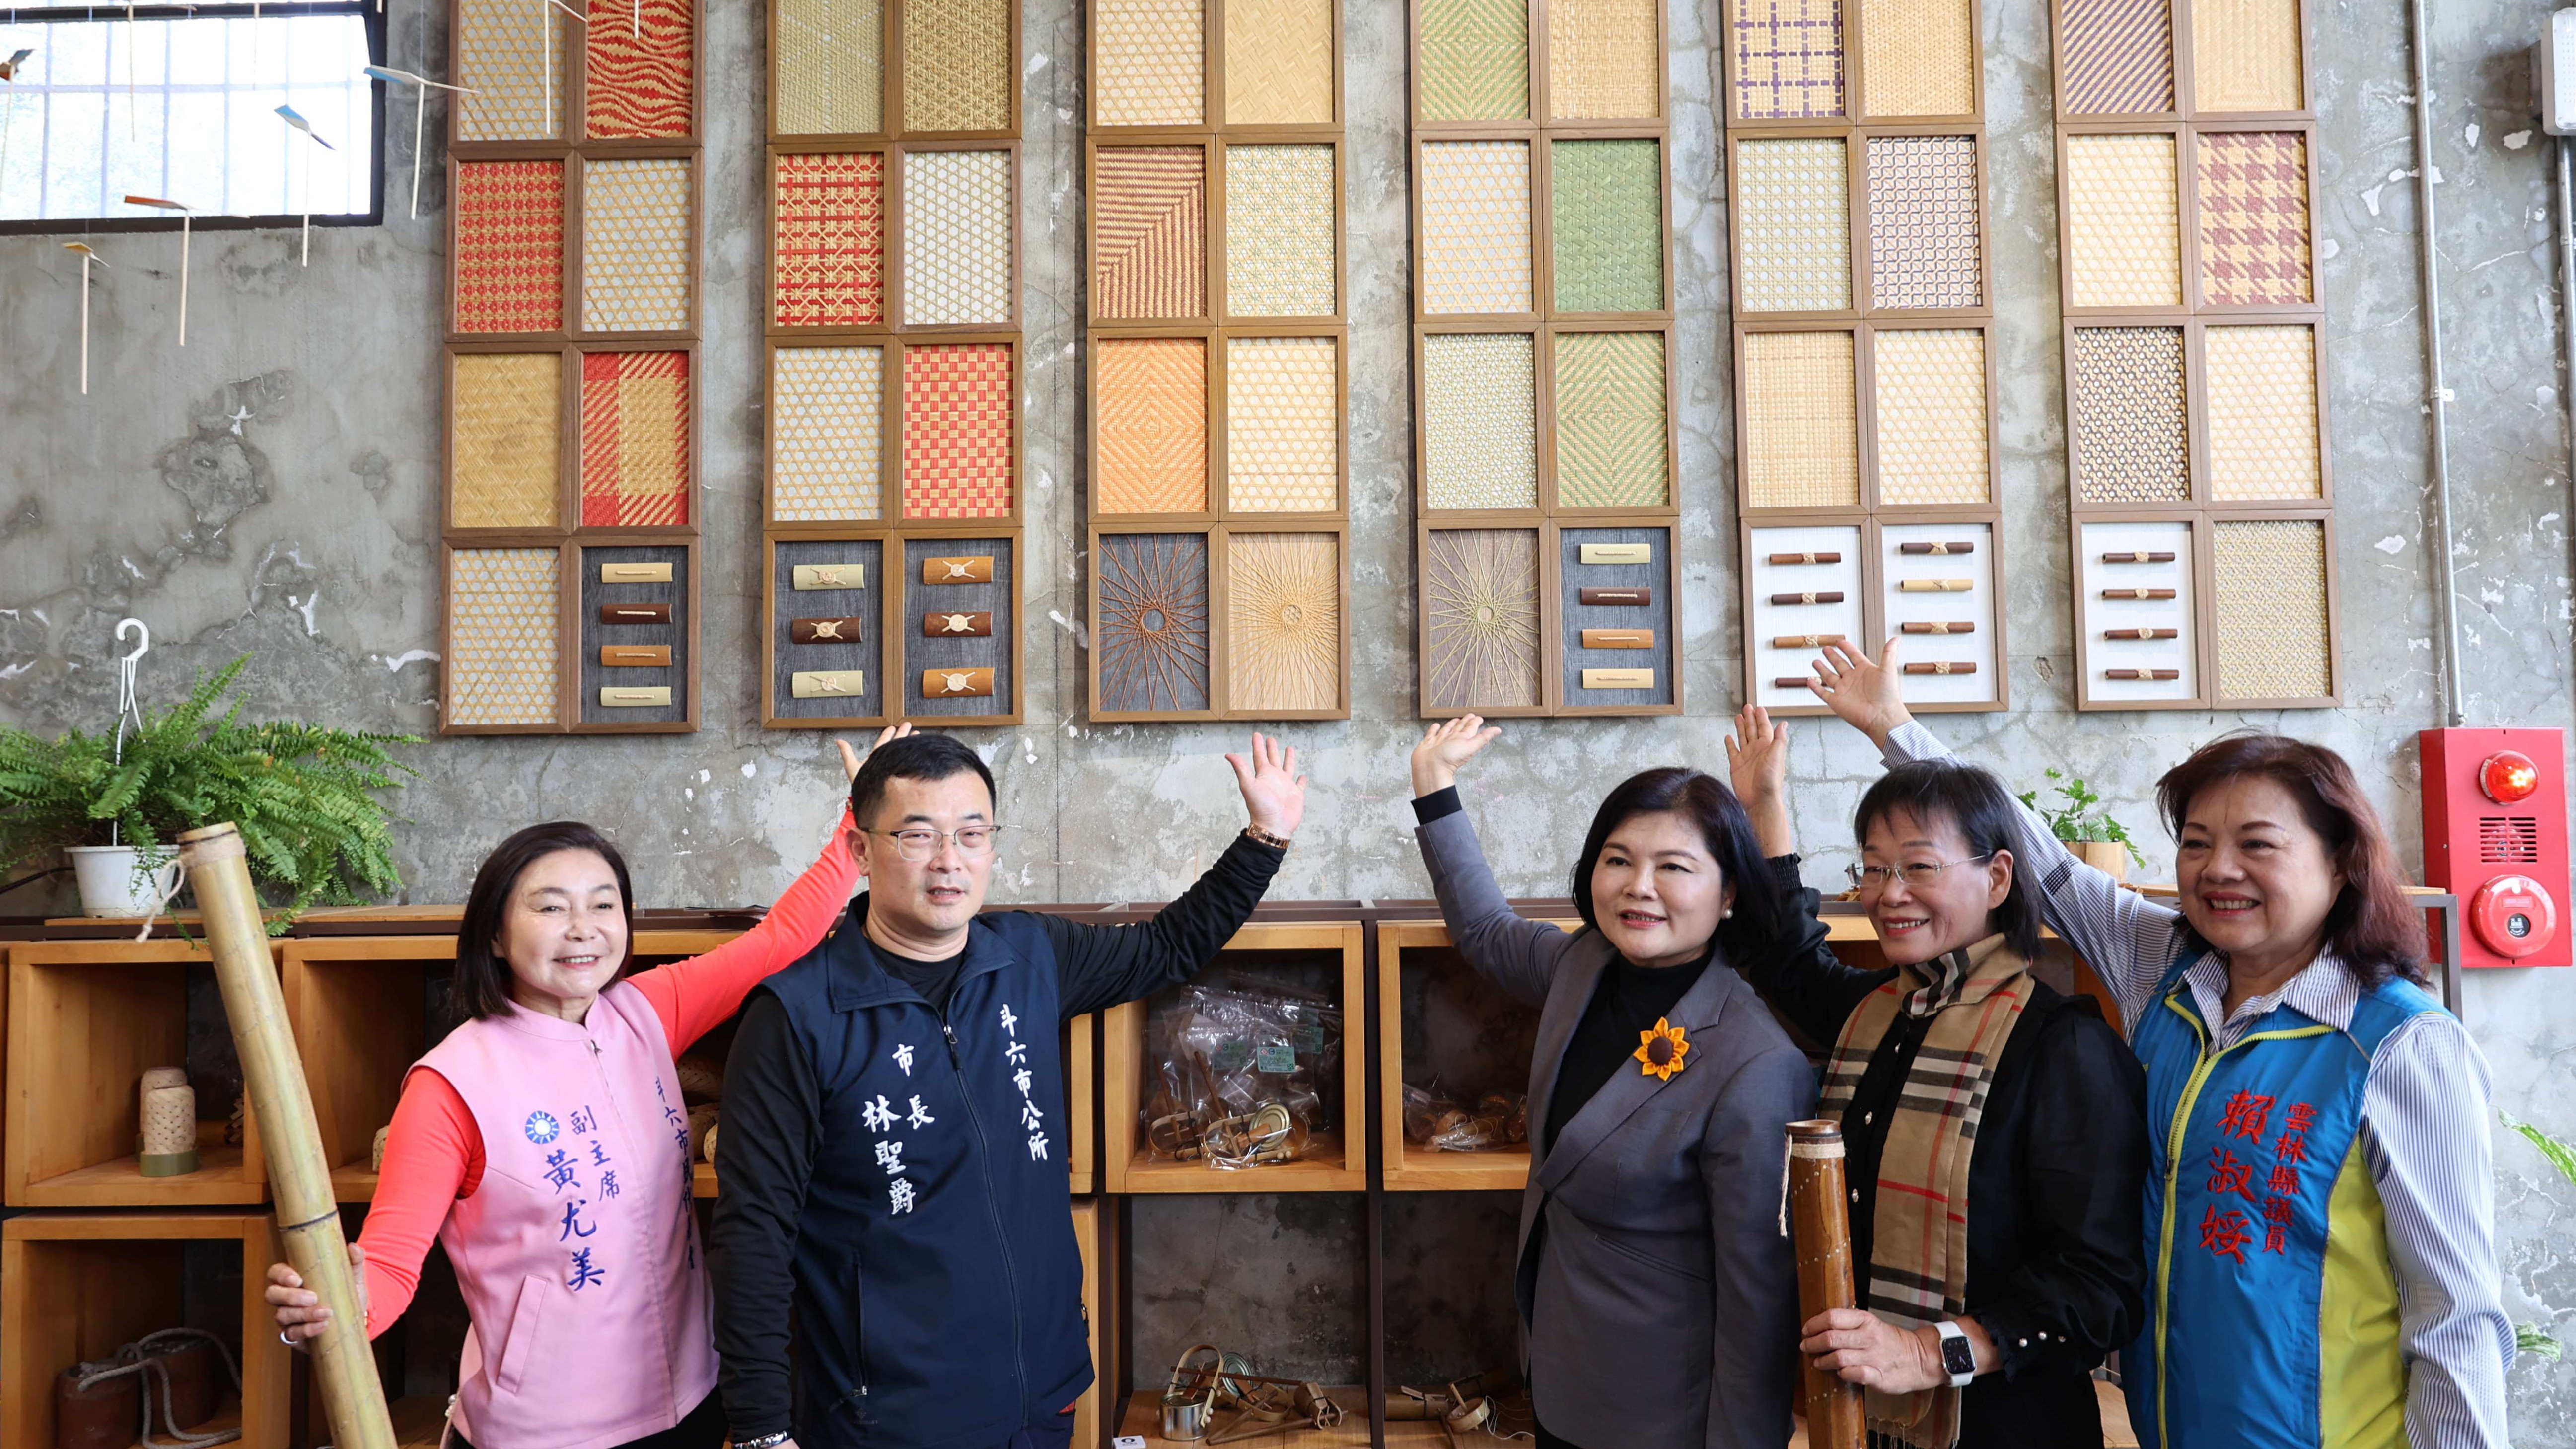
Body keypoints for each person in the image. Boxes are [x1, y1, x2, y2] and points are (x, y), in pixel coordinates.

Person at [1805, 639, 2514, 1449]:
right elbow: (2048, 866)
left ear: (2342, 863)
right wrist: (1895, 728)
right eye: (2196, 842)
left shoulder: (2403, 1045)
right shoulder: (2169, 975)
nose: (2218, 870)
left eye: (2257, 844)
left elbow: (2456, 1315)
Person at [263, 732, 891, 1449]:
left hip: (693, 1400)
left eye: (603, 905)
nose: (583, 930)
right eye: (551, 908)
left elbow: (780, 941)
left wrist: (861, 820)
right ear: (495, 934)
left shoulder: (646, 1013)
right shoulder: (449, 1085)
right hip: (546, 1430)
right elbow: (386, 1266)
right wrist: (337, 1306)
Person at [708, 730, 1306, 1449]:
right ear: (861, 850)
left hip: (1041, 1397)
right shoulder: (797, 1016)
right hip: (889, 1420)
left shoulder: (1028, 955)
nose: (949, 859)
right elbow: (753, 1234)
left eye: (972, 833)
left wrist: (1266, 836)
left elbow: (1168, 946)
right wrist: (761, 1430)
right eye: (917, 835)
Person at [1722, 704, 2148, 1448]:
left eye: (1919, 866)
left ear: (1998, 877)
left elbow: (2100, 1287)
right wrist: (1765, 807)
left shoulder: (2064, 1048)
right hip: (1864, 1422)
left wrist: (1925, 1353)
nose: (1889, 893)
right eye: (1874, 867)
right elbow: (1788, 959)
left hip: (2008, 1429)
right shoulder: (1878, 1012)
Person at [1405, 715, 1814, 1449]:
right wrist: (1435, 786)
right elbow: (1485, 930)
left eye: (1674, 868)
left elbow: (1760, 1303)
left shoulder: (1757, 1064)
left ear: (1728, 893)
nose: (1638, 887)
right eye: (1618, 859)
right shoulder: (1582, 967)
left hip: (1662, 1417)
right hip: (1558, 1382)